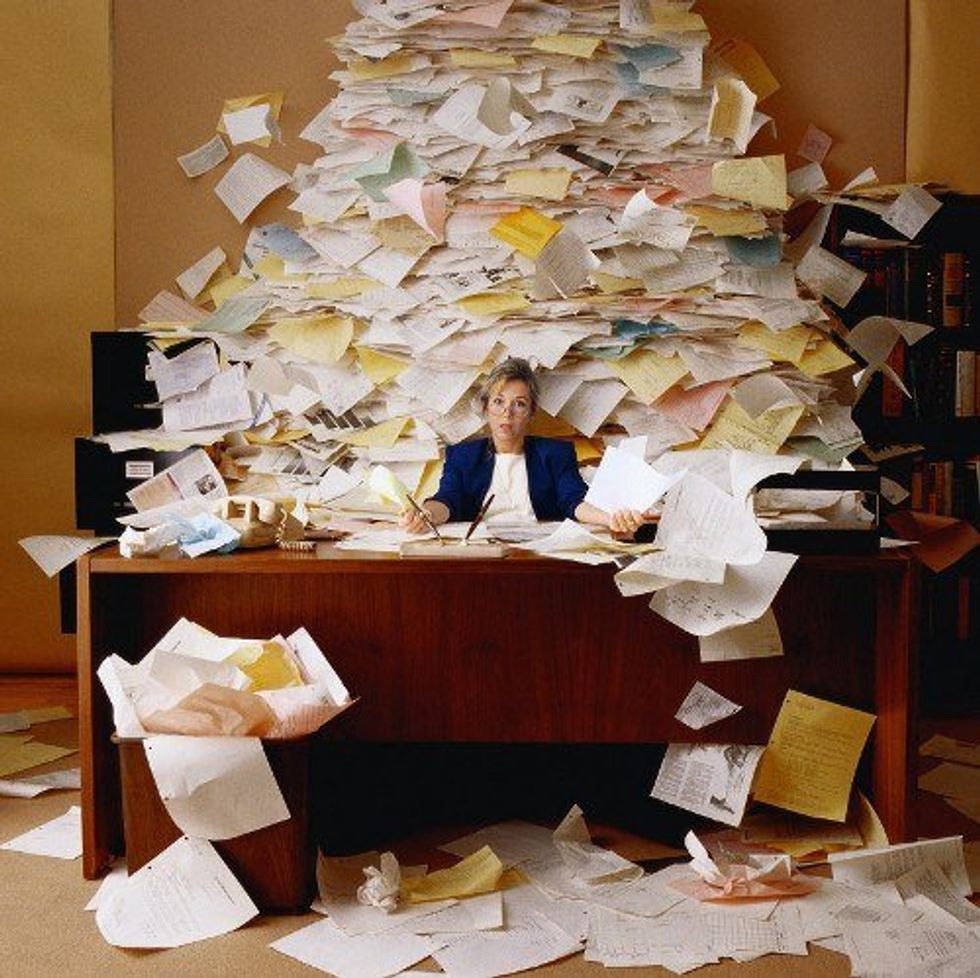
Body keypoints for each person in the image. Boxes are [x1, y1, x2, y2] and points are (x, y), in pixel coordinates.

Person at [400, 357, 648, 534]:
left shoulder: (555, 454)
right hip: (482, 551)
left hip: (538, 552)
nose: (507, 413)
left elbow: (573, 500)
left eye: (519, 404)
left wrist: (610, 518)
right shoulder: (463, 456)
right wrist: (426, 515)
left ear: (531, 412)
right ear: (486, 407)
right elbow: (447, 499)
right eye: (498, 401)